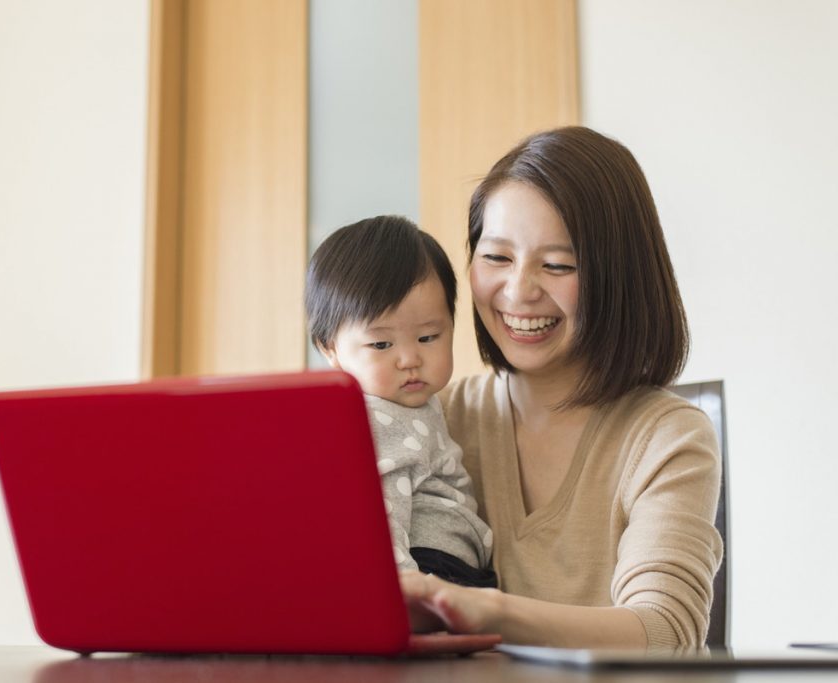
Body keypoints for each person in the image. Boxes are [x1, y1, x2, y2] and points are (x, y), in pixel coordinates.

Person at [400, 126, 723, 650]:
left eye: (558, 265)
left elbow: (666, 630)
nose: (520, 291)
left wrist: (486, 610)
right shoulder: (431, 419)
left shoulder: (668, 437)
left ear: (619, 277)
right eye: (497, 258)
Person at [305, 215, 497, 588]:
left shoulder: (411, 404)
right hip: (428, 570)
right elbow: (380, 515)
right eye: (381, 344)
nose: (409, 358)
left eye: (428, 337)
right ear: (330, 348)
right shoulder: (379, 417)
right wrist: (403, 592)